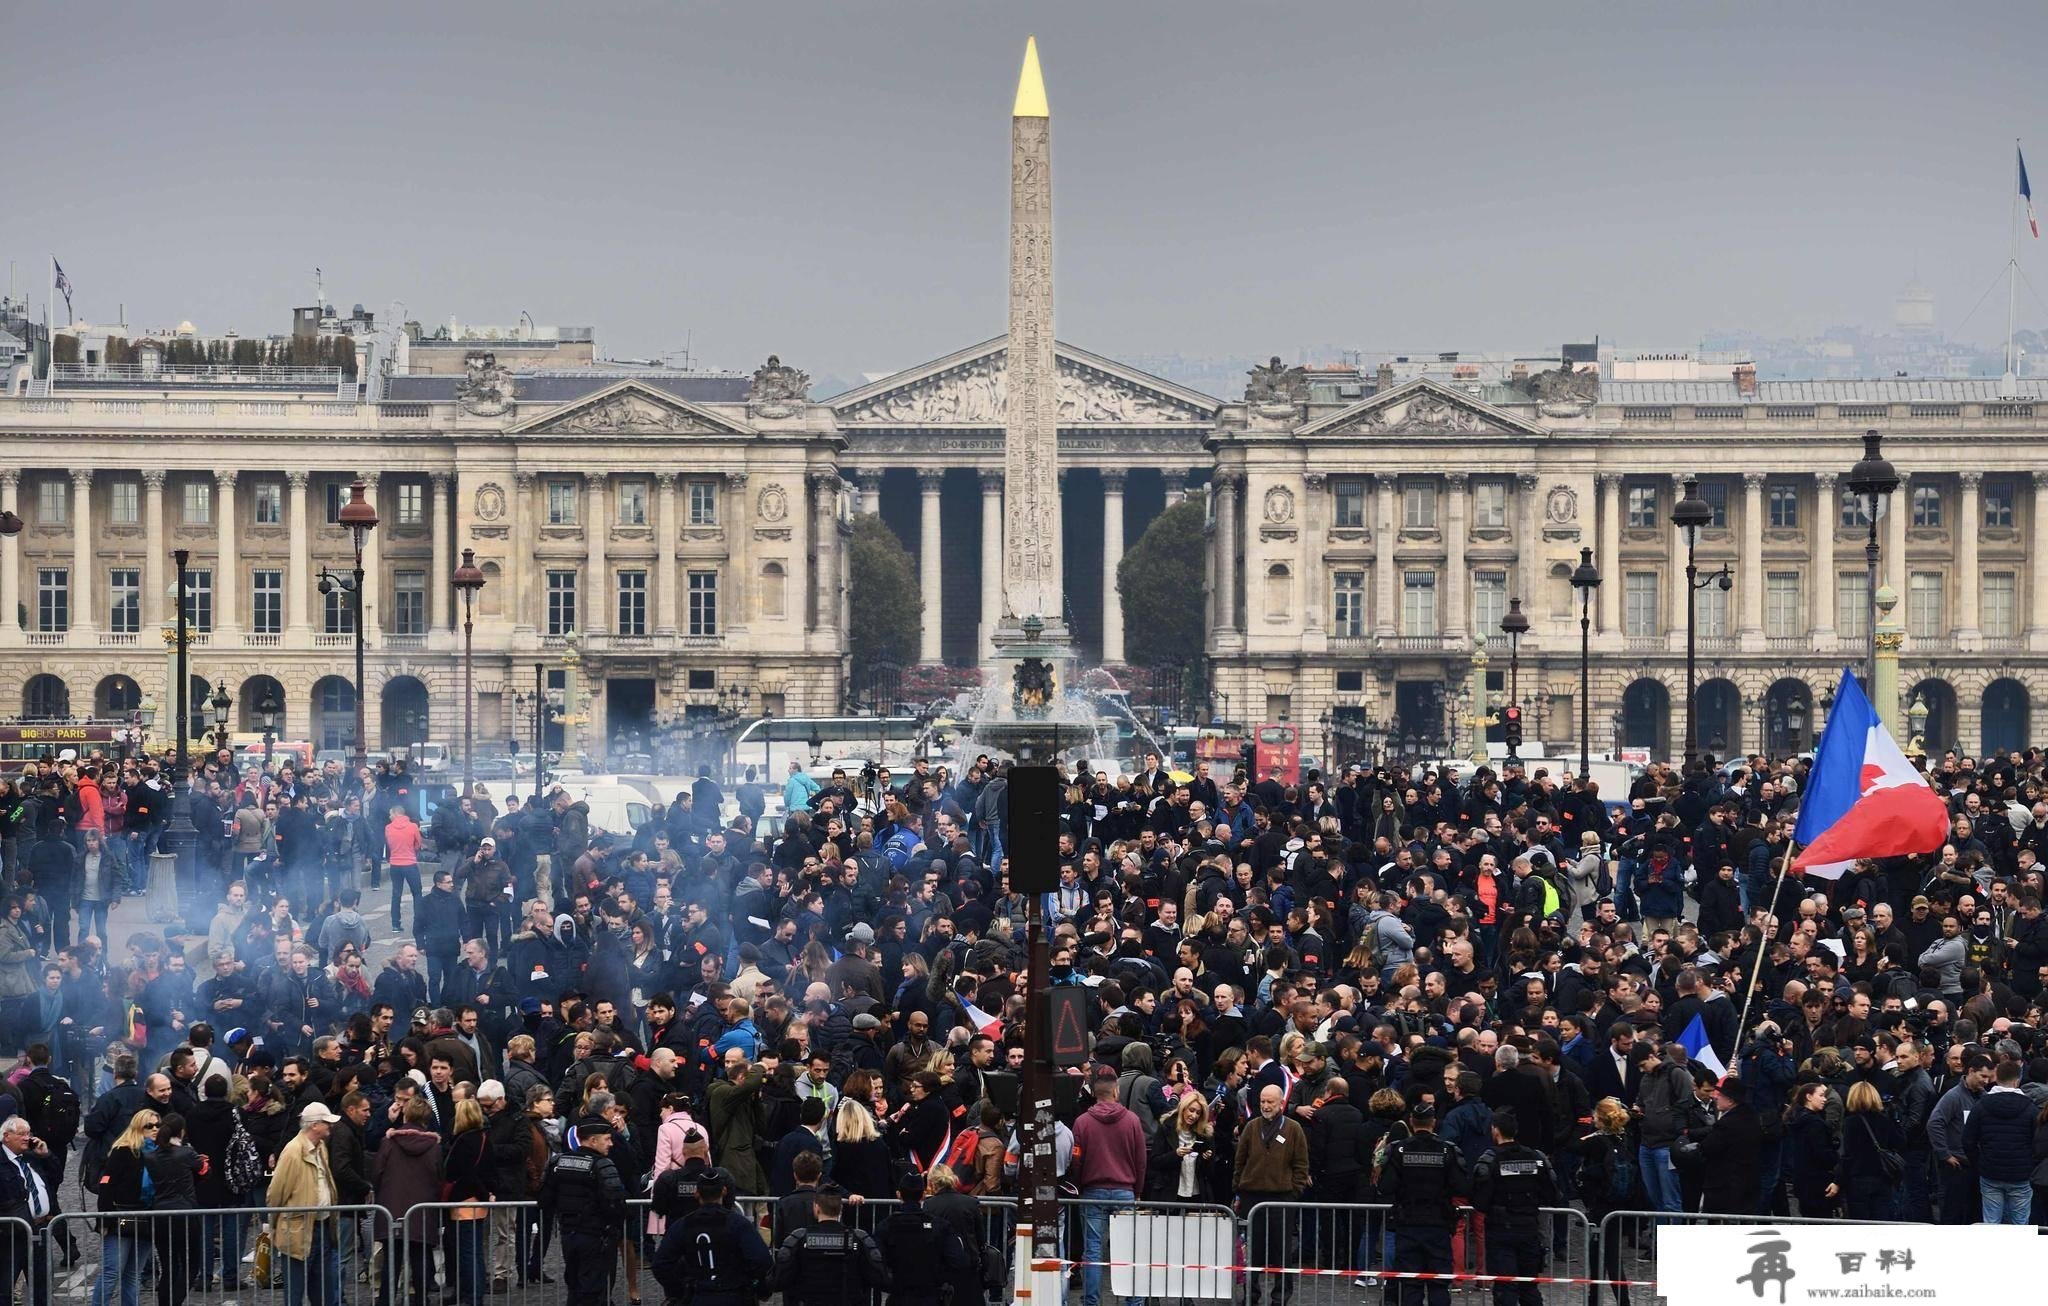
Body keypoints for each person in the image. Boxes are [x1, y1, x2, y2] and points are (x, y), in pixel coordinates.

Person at [1375, 1101, 1466, 1306]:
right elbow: (1461, 1187)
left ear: (1411, 1122)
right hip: (1438, 1224)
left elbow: (1385, 1187)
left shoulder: (1398, 1150)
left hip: (1408, 1224)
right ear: (1433, 1123)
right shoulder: (1447, 1151)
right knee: (1439, 1284)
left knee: (1410, 1284)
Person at [1071, 1070, 1147, 1306]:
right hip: (1125, 1189)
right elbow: (1141, 1159)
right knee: (1128, 1251)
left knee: (1092, 1252)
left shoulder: (1082, 1122)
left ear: (1094, 1094)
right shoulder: (1132, 1120)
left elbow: (1076, 1159)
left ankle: (1092, 1301)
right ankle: (1133, 1301)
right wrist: (1138, 1191)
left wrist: (1080, 1183)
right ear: (1116, 1092)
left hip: (1093, 1190)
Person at [1469, 1110, 1558, 1306]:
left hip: (1500, 1231)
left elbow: (1479, 1201)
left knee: (1505, 1288)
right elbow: (1552, 1193)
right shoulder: (1536, 1157)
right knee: (1529, 1287)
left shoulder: (1490, 1159)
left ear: (1496, 1131)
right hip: (1529, 1229)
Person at [1233, 1083, 1309, 1306]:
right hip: (1251, 1197)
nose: (1265, 1106)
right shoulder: (1251, 1126)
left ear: (1281, 1103)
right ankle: (1250, 1295)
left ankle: (1281, 1296)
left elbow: (1301, 1165)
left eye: (1270, 1102)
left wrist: (1294, 1192)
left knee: (1282, 1251)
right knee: (1252, 1252)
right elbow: (1240, 1160)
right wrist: (1238, 1188)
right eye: (1262, 1102)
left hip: (1282, 1198)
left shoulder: (1294, 1129)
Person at [539, 1117, 628, 1305]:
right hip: (596, 1237)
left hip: (568, 1235)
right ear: (593, 1140)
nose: (611, 1143)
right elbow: (616, 1205)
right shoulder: (603, 1165)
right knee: (594, 1292)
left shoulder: (557, 1163)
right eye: (607, 1139)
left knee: (574, 1288)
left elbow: (544, 1200)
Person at [652, 1167, 771, 1306]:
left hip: (699, 1295)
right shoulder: (738, 1223)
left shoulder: (684, 1225)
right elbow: (762, 1261)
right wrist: (756, 1287)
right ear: (724, 1191)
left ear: (696, 1194)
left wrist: (679, 1291)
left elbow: (660, 1264)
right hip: (734, 1295)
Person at [267, 1102, 345, 1306]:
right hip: (297, 1231)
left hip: (321, 1226)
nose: (331, 1126)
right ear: (315, 1125)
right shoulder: (293, 1152)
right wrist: (276, 1226)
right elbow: (276, 1193)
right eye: (327, 1122)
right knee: (295, 1294)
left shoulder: (320, 1148)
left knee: (323, 1292)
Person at [371, 1098, 444, 1306]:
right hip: (422, 1213)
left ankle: (386, 1301)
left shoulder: (388, 1143)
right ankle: (420, 1300)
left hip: (391, 1211)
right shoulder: (434, 1147)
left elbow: (376, 1174)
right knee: (420, 1261)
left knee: (390, 1265)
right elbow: (439, 1178)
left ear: (406, 1115)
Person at [771, 1188, 890, 1305]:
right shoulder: (859, 1238)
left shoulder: (798, 1238)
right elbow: (879, 1277)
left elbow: (779, 1279)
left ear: (816, 1208)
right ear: (841, 1209)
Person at [91, 1108, 158, 1306]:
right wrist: (103, 1220)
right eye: (149, 1126)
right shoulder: (123, 1151)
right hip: (119, 1219)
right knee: (111, 1273)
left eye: (157, 1125)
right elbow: (106, 1185)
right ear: (138, 1127)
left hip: (147, 1219)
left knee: (133, 1275)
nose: (155, 1129)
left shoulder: (157, 1153)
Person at [874, 1169, 968, 1306]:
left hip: (899, 1294)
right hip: (931, 1295)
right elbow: (958, 1261)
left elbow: (876, 1262)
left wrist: (890, 1284)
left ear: (898, 1195)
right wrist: (941, 1279)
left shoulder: (886, 1226)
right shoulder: (940, 1226)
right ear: (923, 1195)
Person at [444, 1098, 496, 1306]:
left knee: (468, 1252)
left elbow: (463, 1173)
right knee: (474, 1250)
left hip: (465, 1200)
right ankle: (472, 1293)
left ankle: (472, 1295)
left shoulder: (463, 1141)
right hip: (478, 1200)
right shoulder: (484, 1138)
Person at [921, 1163, 993, 1306]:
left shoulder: (929, 1205)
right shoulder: (970, 1203)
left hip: (941, 1267)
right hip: (968, 1266)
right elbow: (980, 1237)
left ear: (932, 1183)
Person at [1836, 1082, 1903, 1221]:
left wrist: (1838, 1180)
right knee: (1881, 1220)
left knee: (1860, 1222)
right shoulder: (1884, 1119)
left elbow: (1848, 1155)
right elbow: (1899, 1142)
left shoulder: (1850, 1122)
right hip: (1882, 1176)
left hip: (1858, 1178)